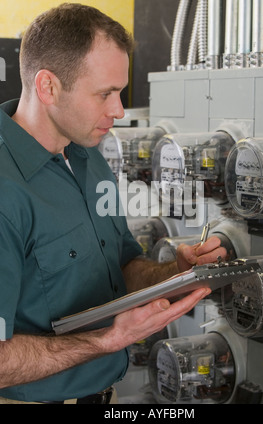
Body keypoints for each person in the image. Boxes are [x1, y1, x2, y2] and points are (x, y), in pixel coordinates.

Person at [0, 3, 226, 404]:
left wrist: (177, 270)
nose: (119, 111)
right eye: (105, 94)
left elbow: (123, 268)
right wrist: (110, 338)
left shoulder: (89, 157)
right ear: (47, 86)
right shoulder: (6, 189)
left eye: (120, 92)